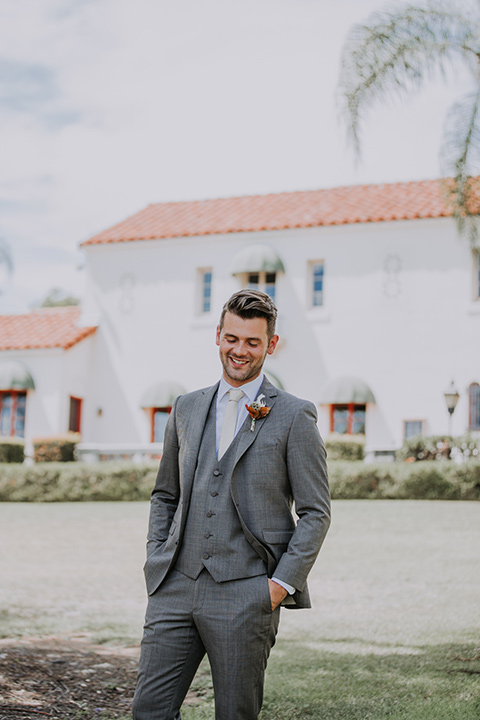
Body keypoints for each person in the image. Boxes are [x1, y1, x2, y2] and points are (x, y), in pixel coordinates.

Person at [132, 288, 331, 720]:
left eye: (253, 342)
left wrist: (278, 587)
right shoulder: (185, 408)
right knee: (148, 710)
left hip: (247, 592)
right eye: (232, 338)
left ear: (270, 345)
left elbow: (316, 512)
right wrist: (156, 557)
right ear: (218, 334)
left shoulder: (295, 415)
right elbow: (165, 494)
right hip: (174, 587)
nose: (240, 351)